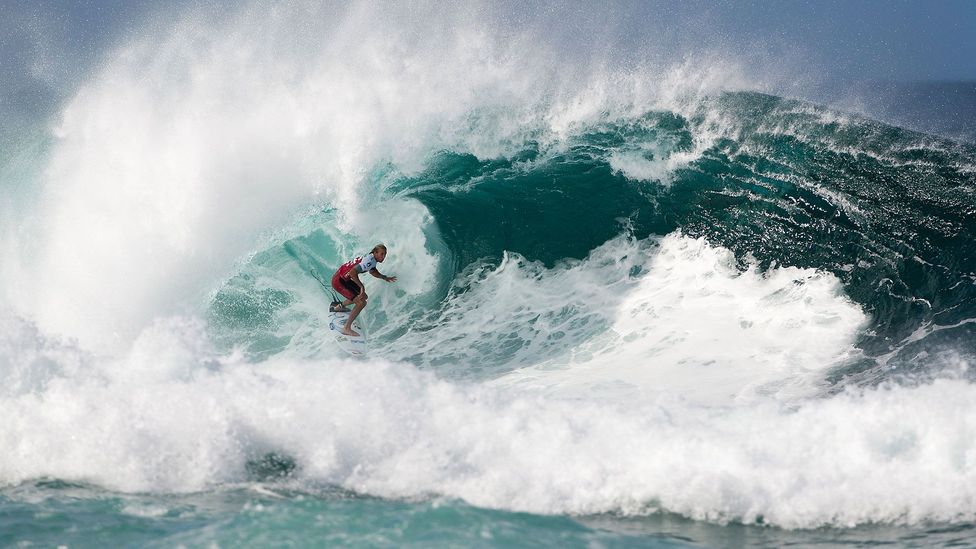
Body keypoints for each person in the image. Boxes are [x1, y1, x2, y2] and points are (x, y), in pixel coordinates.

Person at [330, 244, 396, 337]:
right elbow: (353, 272)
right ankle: (346, 328)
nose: (383, 257)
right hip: (339, 281)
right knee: (361, 303)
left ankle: (339, 307)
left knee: (364, 297)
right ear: (375, 253)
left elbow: (373, 271)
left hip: (344, 279)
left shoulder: (372, 259)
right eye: (382, 254)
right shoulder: (368, 261)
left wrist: (384, 277)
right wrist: (361, 286)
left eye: (385, 254)